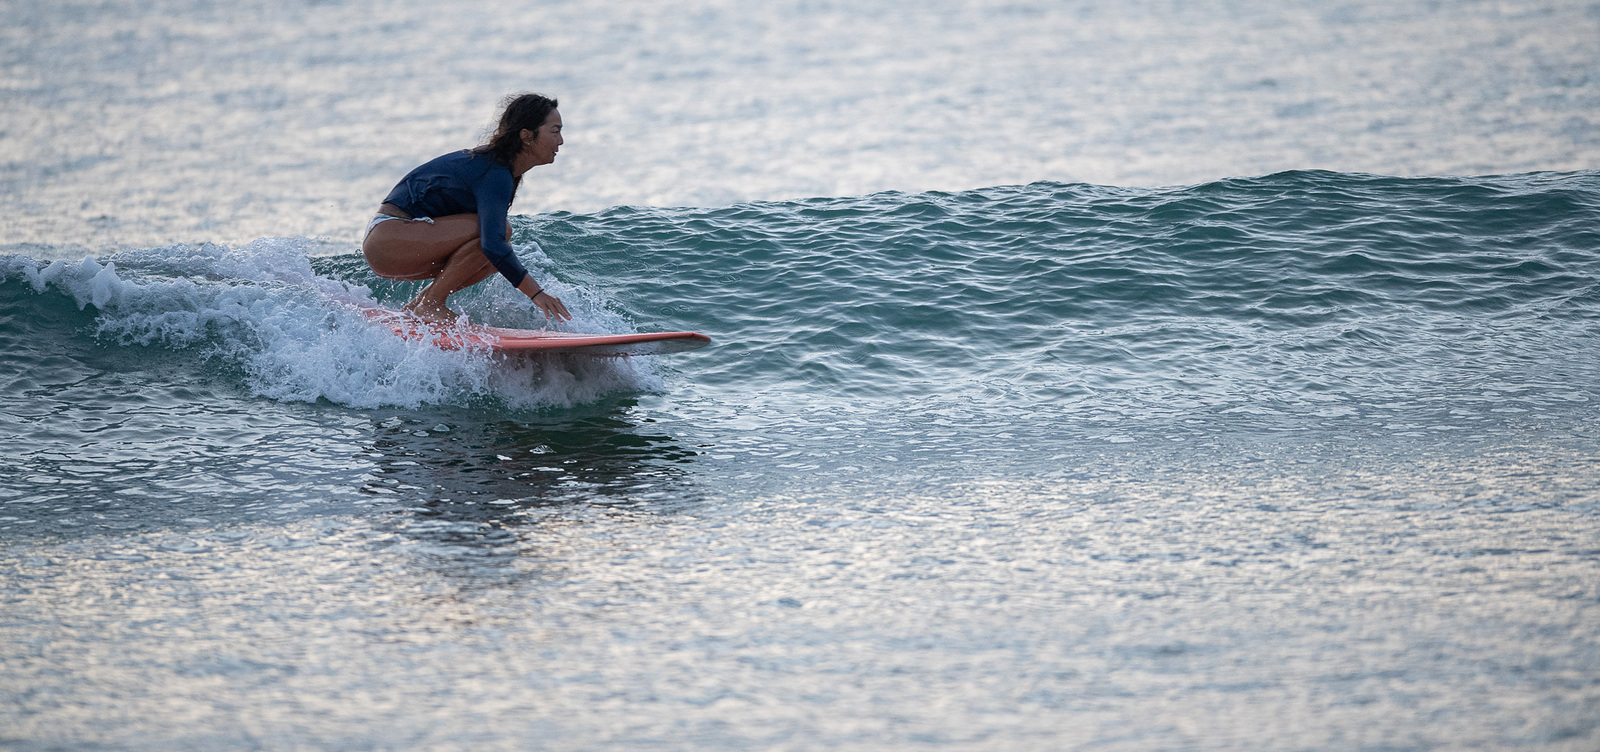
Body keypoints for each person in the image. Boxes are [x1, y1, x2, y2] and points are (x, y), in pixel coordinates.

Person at [361, 93, 573, 323]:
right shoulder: (494, 172)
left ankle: (419, 306)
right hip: (388, 237)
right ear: (527, 136)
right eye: (555, 131)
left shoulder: (500, 170)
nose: (560, 140)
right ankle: (431, 305)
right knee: (497, 236)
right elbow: (493, 242)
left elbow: (492, 250)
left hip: (391, 241)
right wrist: (537, 293)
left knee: (492, 258)